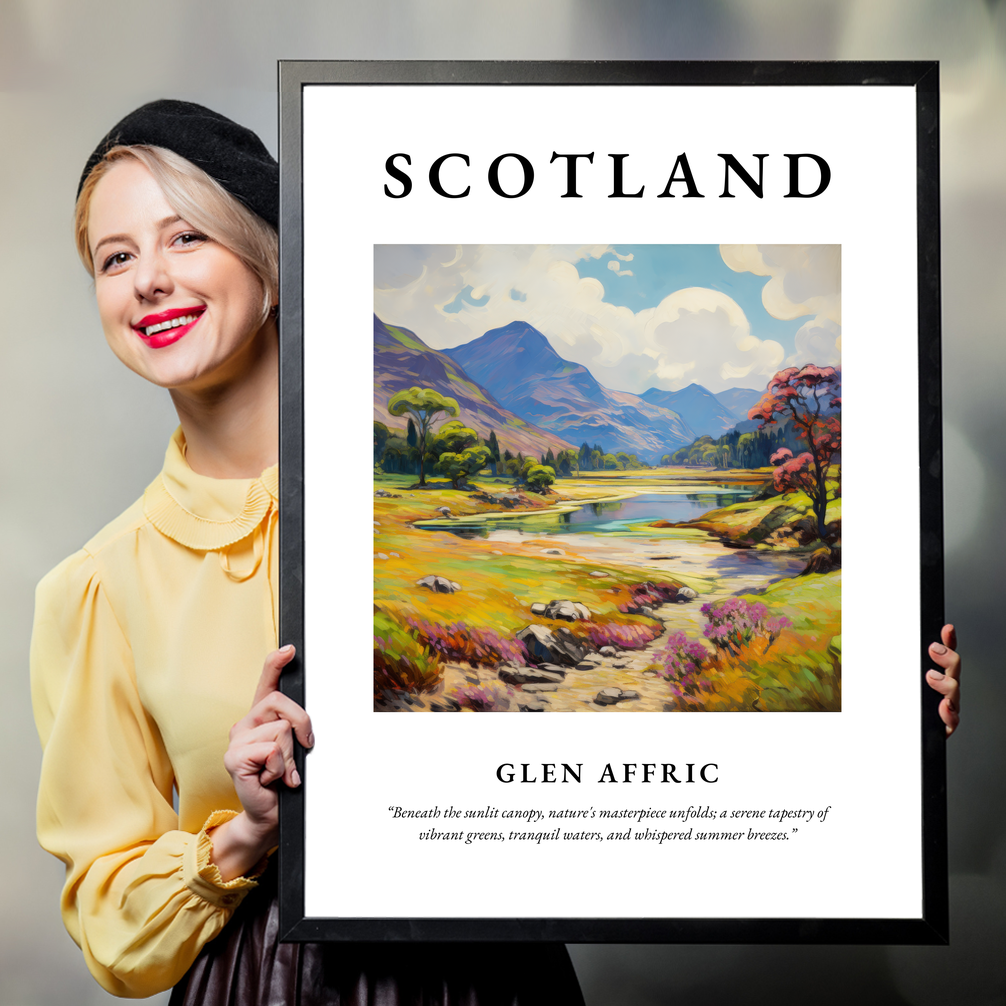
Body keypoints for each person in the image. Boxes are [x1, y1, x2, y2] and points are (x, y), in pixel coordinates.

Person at [30, 100, 585, 1004]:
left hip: (495, 975)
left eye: (186, 239)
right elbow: (110, 925)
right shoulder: (97, 587)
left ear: (273, 264)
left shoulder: (418, 517)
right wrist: (245, 832)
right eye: (116, 257)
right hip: (263, 982)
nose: (148, 281)